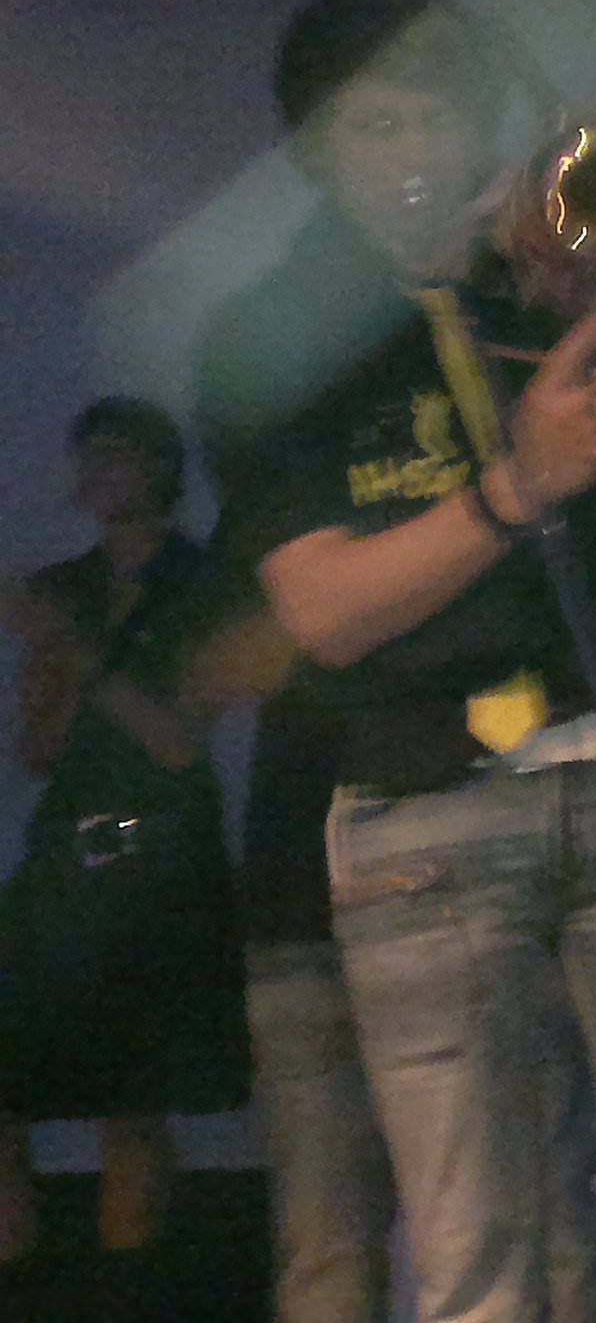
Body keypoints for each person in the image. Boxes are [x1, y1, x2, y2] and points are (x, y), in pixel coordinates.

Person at [205, 0, 596, 1323]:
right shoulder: (274, 339)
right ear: (317, 152)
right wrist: (515, 490)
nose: (415, 153)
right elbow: (324, 612)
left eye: (438, 119)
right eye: (377, 127)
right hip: (427, 799)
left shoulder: (554, 277)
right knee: (477, 1271)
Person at [0, 398, 249, 1306]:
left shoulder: (202, 580)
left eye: (117, 454)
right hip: (66, 858)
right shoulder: (64, 586)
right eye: (88, 456)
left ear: (159, 469)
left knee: (131, 1103)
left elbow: (177, 740)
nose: (97, 473)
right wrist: (47, 665)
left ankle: (125, 1298)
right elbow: (39, 750)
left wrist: (72, 649)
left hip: (160, 862)